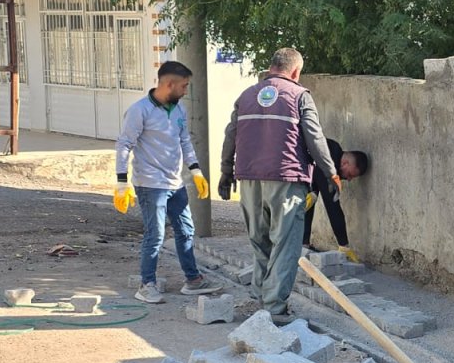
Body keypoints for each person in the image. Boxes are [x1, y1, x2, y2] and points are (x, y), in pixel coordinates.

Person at [217, 48, 339, 323]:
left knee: (260, 242)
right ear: (295, 71)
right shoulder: (299, 96)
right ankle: (274, 309)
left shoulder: (246, 96)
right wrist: (330, 174)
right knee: (285, 245)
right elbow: (315, 139)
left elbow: (230, 136)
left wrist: (226, 173)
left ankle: (262, 299)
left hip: (248, 180)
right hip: (286, 180)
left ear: (271, 67)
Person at [114, 60, 223, 304]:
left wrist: (195, 170)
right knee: (155, 234)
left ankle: (193, 280)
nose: (186, 91)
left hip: (176, 183)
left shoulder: (179, 110)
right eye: (184, 86)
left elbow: (184, 141)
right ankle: (147, 284)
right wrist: (122, 181)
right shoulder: (139, 111)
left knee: (186, 230)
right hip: (150, 183)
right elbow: (124, 144)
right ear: (169, 84)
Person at [302, 138, 370, 262]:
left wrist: (312, 190)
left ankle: (303, 245)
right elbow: (333, 207)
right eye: (350, 175)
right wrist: (344, 245)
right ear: (345, 163)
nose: (349, 179)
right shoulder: (329, 164)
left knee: (309, 200)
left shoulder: (330, 149)